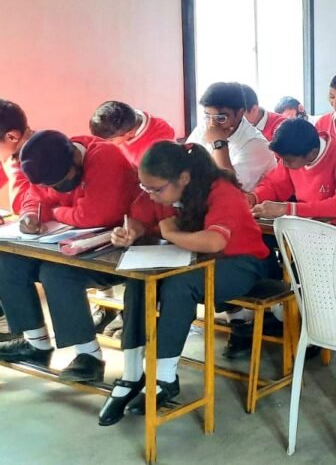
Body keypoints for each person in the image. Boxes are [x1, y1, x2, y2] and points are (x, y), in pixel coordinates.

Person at [98, 142, 269, 424]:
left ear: (184, 179)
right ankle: (131, 374)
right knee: (140, 280)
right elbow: (141, 218)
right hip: (193, 259)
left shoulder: (221, 190)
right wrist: (131, 232)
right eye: (146, 189)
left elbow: (216, 241)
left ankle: (164, 378)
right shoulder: (160, 191)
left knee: (178, 286)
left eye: (156, 189)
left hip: (241, 263)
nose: (151, 195)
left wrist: (171, 233)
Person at [0, 130, 138, 382]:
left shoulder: (105, 156)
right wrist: (31, 215)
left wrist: (52, 212)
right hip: (68, 244)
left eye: (61, 182)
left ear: (76, 157)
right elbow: (34, 197)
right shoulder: (44, 161)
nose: (55, 188)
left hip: (117, 244)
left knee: (56, 272)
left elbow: (97, 215)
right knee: (7, 262)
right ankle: (36, 344)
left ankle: (89, 357)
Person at [252, 118, 336, 236]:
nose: (284, 164)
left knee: (297, 244)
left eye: (288, 161)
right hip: (306, 222)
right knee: (259, 237)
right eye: (282, 159)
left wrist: (287, 209)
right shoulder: (293, 154)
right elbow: (275, 185)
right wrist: (254, 197)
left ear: (312, 153)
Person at [186, 82, 276, 192]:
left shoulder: (256, 144)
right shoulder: (204, 127)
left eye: (221, 118)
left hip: (247, 206)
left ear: (240, 113)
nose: (212, 125)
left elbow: (229, 189)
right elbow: (185, 166)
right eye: (207, 116)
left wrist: (218, 143)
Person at [88, 100, 176, 167]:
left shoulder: (157, 147)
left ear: (130, 133)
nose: (104, 143)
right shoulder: (128, 119)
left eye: (111, 140)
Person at [0, 99, 34, 213]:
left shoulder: (38, 154)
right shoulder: (6, 152)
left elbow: (22, 207)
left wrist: (13, 161)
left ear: (12, 137)